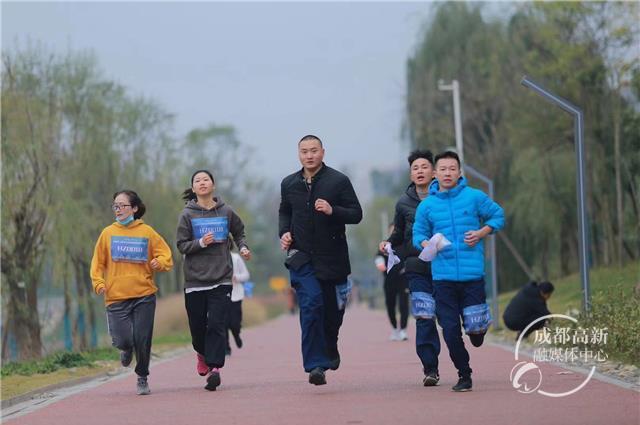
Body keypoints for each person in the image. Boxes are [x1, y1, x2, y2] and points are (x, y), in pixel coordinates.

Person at [413, 151, 504, 392]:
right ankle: (464, 374)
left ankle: (478, 331)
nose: (447, 173)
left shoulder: (474, 197)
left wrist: (481, 233)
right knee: (451, 330)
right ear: (435, 173)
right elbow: (418, 234)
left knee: (474, 329)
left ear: (459, 172)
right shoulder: (427, 206)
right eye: (442, 169)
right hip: (442, 279)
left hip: (472, 275)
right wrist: (426, 244)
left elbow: (498, 215)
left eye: (452, 168)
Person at [279, 134, 362, 386]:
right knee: (311, 304)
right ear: (299, 154)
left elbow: (356, 214)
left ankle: (330, 345)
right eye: (304, 151)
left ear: (323, 152)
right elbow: (285, 211)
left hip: (333, 258)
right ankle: (315, 364)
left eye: (314, 150)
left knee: (332, 314)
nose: (309, 155)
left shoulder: (338, 181)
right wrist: (284, 232)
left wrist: (332, 210)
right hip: (302, 258)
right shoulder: (289, 183)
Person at [90, 190, 173, 395]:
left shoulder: (147, 232)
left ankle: (142, 377)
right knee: (125, 340)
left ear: (134, 208)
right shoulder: (107, 233)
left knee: (143, 338)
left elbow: (166, 255)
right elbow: (98, 263)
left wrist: (159, 262)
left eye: (122, 206)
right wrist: (98, 282)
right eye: (115, 206)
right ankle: (125, 349)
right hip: (116, 296)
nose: (118, 209)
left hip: (144, 294)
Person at [176, 169, 251, 391]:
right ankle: (201, 353)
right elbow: (181, 245)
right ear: (193, 188)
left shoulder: (226, 211)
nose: (202, 183)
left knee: (217, 324)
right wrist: (200, 243)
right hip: (195, 280)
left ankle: (215, 368)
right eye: (197, 180)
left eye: (205, 179)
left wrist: (243, 247)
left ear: (213, 185)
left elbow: (239, 232)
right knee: (198, 327)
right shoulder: (187, 215)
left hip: (222, 278)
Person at [379, 149, 441, 386]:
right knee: (424, 316)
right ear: (411, 173)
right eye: (415, 168)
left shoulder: (445, 197)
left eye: (424, 167)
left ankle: (462, 366)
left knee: (447, 318)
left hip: (445, 267)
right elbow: (398, 232)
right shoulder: (403, 202)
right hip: (416, 266)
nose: (420, 171)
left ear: (433, 171)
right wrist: (388, 243)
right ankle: (430, 368)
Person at [375, 225, 410, 342]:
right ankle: (395, 329)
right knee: (390, 305)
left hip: (403, 278)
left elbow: (411, 256)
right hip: (389, 280)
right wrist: (380, 264)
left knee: (404, 304)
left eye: (396, 230)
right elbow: (378, 256)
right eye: (392, 230)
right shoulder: (385, 245)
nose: (394, 232)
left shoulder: (405, 244)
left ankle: (403, 330)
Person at [226, 242, 250, 355]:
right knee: (222, 323)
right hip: (221, 294)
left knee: (234, 323)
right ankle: (226, 347)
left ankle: (236, 334)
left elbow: (246, 275)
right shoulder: (214, 259)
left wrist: (236, 277)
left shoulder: (236, 258)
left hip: (236, 294)